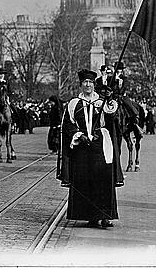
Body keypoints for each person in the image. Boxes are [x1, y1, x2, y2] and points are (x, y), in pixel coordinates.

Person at [61, 69, 120, 228]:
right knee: (85, 181)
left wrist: (109, 99)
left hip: (100, 145)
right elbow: (67, 125)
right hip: (82, 146)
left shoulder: (101, 103)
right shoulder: (74, 104)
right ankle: (90, 216)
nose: (88, 85)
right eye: (85, 82)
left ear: (94, 85)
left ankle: (105, 216)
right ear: (81, 85)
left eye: (91, 82)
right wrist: (79, 135)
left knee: (103, 180)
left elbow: (111, 117)